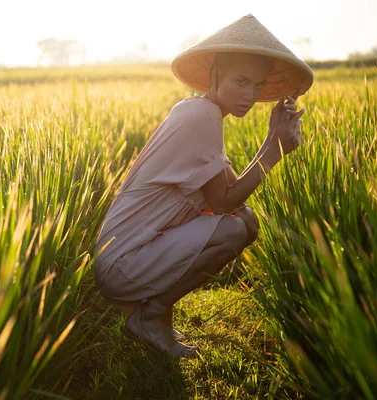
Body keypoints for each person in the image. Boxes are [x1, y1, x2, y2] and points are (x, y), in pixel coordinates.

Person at [92, 14, 314, 358]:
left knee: (247, 222)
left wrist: (274, 138)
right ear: (216, 74)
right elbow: (224, 203)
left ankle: (156, 314)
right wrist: (275, 151)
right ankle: (151, 316)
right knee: (232, 230)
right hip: (124, 262)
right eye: (241, 81)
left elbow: (236, 200)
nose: (250, 95)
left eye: (256, 86)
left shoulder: (201, 113)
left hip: (132, 255)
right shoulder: (200, 117)